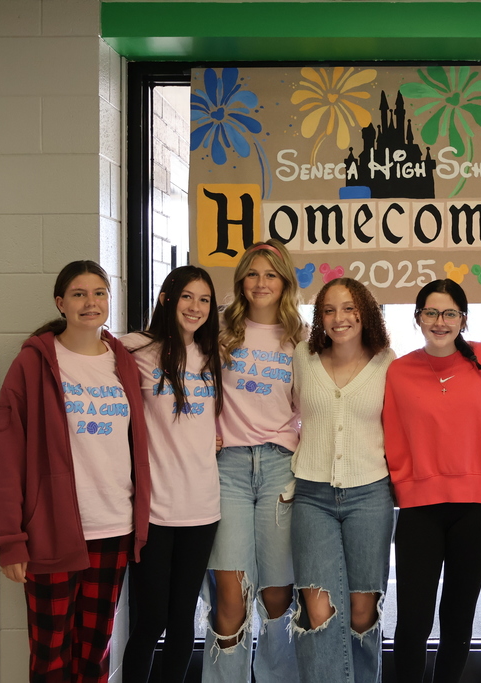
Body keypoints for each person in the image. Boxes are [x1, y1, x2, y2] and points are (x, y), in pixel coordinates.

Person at [0, 260, 151, 682]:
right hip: (51, 530)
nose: (90, 302)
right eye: (79, 294)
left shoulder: (122, 362)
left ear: (109, 300)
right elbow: (4, 456)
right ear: (61, 303)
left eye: (99, 293)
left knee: (95, 650)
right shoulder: (33, 363)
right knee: (50, 653)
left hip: (114, 527)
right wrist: (9, 540)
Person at [382, 279, 481, 683]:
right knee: (413, 621)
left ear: (463, 319)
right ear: (417, 317)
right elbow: (393, 436)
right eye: (431, 313)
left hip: (480, 507)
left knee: (457, 617)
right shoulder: (399, 370)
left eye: (450, 313)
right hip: (421, 508)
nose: (440, 321)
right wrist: (406, 485)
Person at [202, 240, 304, 683]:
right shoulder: (218, 331)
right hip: (228, 471)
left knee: (278, 594)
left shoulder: (301, 338)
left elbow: (316, 404)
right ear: (241, 280)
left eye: (271, 275)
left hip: (282, 467)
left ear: (284, 283)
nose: (261, 283)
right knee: (231, 594)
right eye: (253, 274)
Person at [120, 266, 224, 683]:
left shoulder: (212, 354)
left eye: (204, 300)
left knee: (184, 618)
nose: (196, 307)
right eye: (187, 297)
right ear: (166, 299)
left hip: (203, 508)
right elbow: (91, 345)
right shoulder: (137, 351)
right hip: (156, 512)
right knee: (151, 619)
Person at [290, 277, 396, 683]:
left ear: (365, 311)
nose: (339, 318)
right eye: (329, 310)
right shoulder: (303, 356)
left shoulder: (387, 362)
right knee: (318, 613)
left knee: (362, 613)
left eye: (349, 308)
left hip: (370, 494)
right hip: (312, 495)